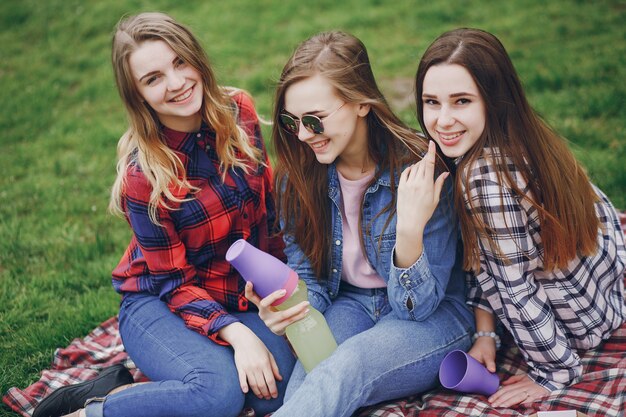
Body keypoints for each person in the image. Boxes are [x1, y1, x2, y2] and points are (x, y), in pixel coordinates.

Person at [33, 12, 295, 417]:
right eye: (153, 78)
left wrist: (279, 286)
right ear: (137, 95)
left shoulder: (237, 110)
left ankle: (132, 387)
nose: (176, 83)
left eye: (179, 63)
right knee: (218, 395)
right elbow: (172, 283)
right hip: (158, 299)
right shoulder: (144, 175)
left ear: (196, 59)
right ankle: (91, 409)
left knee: (275, 389)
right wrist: (239, 335)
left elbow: (267, 217)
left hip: (235, 293)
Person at [244, 31, 474, 417]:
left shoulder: (420, 167)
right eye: (291, 121)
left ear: (361, 104)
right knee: (303, 390)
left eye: (314, 121)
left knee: (348, 367)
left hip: (434, 315)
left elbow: (417, 308)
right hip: (351, 304)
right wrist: (289, 311)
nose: (302, 135)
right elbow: (311, 278)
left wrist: (409, 231)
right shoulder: (297, 177)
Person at [414, 28, 626, 408]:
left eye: (461, 101)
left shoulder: (484, 178)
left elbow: (514, 287)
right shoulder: (523, 135)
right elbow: (483, 259)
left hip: (573, 324)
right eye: (432, 102)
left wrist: (554, 373)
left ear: (493, 101)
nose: (443, 120)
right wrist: (486, 334)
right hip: (604, 297)